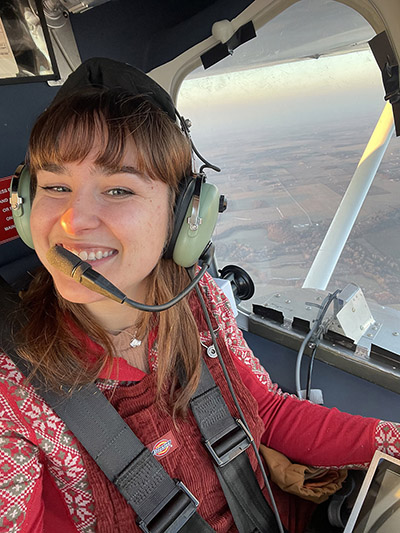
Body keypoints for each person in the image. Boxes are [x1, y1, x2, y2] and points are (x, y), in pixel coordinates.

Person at [0, 57, 399, 533]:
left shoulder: (197, 299)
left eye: (118, 190)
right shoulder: (12, 391)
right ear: (24, 204)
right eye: (55, 186)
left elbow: (265, 413)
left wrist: (393, 442)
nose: (71, 221)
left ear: (184, 216)